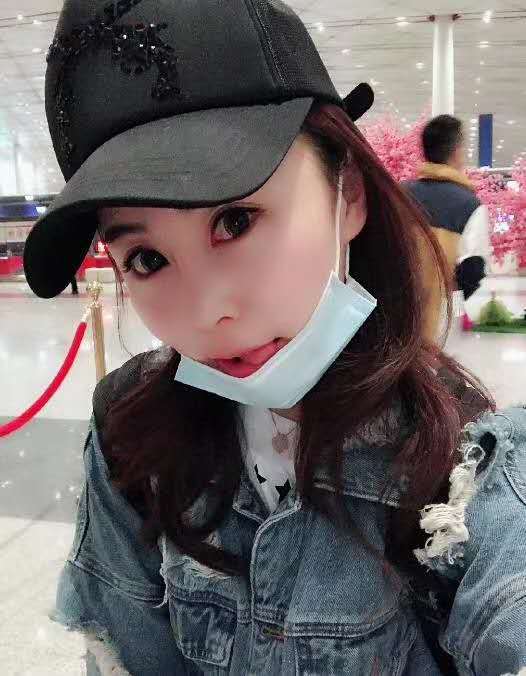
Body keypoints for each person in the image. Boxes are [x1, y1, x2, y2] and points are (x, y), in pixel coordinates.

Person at [23, 2, 526, 675]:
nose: (208, 311)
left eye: (236, 220)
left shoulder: (469, 459)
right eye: (146, 258)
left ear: (349, 194)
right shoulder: (130, 431)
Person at [403, 115, 492, 338]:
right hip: (441, 321)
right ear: (456, 152)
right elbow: (473, 269)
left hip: (396, 315)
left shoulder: (398, 195)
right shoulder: (470, 206)